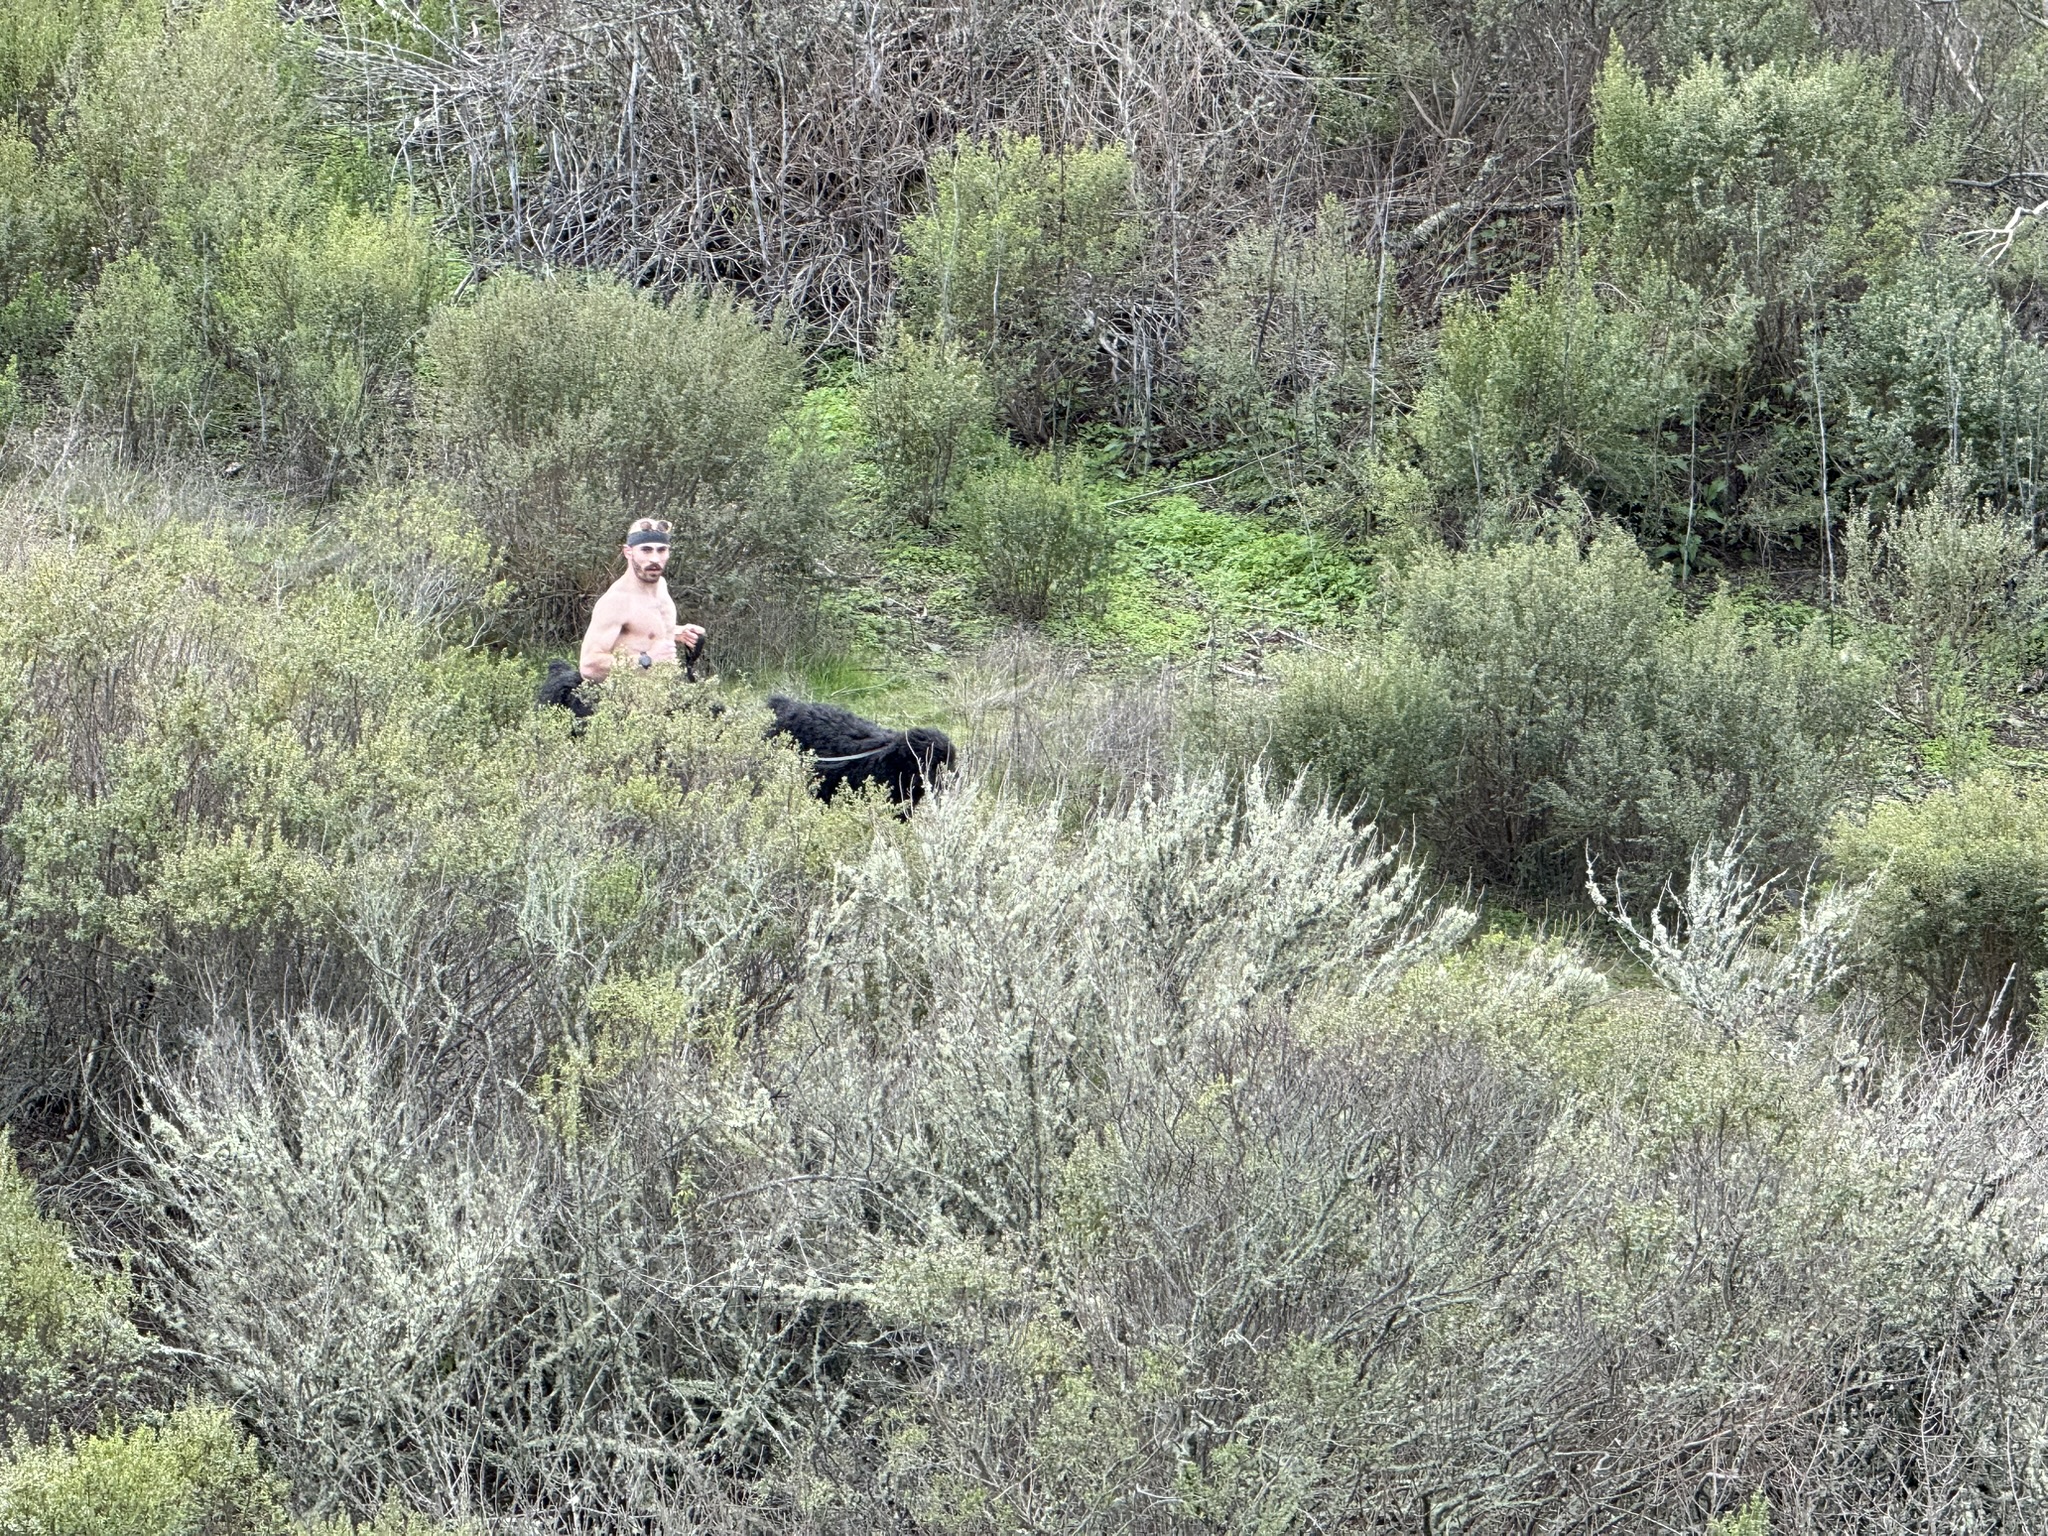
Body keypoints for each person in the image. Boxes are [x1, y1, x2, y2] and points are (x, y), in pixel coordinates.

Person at [577, 517, 707, 682]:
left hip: (667, 694)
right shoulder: (616, 601)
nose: (655, 559)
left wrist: (678, 632)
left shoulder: (661, 585)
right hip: (628, 701)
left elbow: (640, 630)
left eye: (661, 550)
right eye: (646, 550)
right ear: (628, 552)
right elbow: (588, 666)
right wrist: (647, 659)